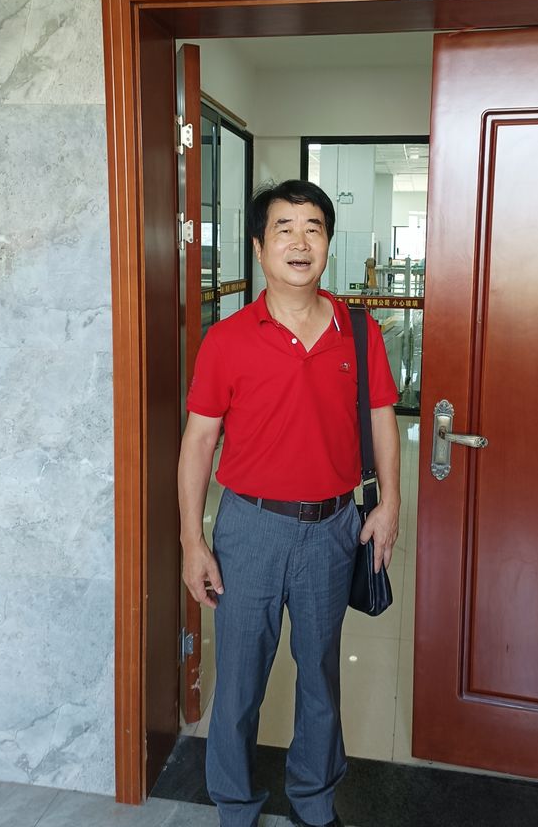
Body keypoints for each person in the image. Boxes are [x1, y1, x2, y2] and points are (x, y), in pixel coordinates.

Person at [178, 179, 401, 827]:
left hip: (333, 527)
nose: (300, 242)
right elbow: (198, 441)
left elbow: (382, 418)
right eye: (284, 228)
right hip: (250, 527)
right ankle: (234, 806)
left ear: (328, 242)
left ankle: (314, 800)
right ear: (259, 246)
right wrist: (192, 541)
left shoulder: (358, 331)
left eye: (313, 228)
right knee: (239, 682)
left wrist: (388, 504)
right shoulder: (227, 339)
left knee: (320, 676)